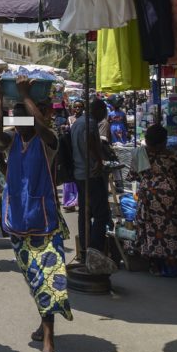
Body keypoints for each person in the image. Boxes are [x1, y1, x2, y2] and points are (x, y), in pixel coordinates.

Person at [0, 75, 73, 352]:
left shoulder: (48, 141)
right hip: (17, 222)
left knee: (49, 279)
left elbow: (42, 126)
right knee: (34, 280)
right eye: (18, 117)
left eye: (24, 116)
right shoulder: (11, 141)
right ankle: (44, 322)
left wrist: (24, 95)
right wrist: (0, 97)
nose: (20, 121)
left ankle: (49, 338)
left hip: (45, 221)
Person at [127, 125, 177, 277]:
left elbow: (133, 176)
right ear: (163, 141)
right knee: (174, 228)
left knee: (150, 230)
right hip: (170, 197)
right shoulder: (171, 156)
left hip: (148, 196)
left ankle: (154, 266)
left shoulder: (139, 154)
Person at [70, 98, 110, 260]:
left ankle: (85, 248)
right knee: (101, 214)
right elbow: (90, 142)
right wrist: (99, 161)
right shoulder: (90, 123)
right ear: (99, 111)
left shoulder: (78, 122)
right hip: (90, 174)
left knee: (85, 212)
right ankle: (95, 249)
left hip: (80, 173)